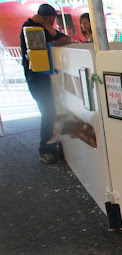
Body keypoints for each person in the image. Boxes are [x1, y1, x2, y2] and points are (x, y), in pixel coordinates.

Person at [20, 4, 72, 163]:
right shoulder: (32, 29)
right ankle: (45, 150)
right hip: (38, 79)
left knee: (52, 111)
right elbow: (64, 40)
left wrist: (46, 26)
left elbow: (66, 40)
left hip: (43, 78)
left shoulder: (34, 27)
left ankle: (53, 146)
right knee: (48, 112)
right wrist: (47, 26)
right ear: (50, 18)